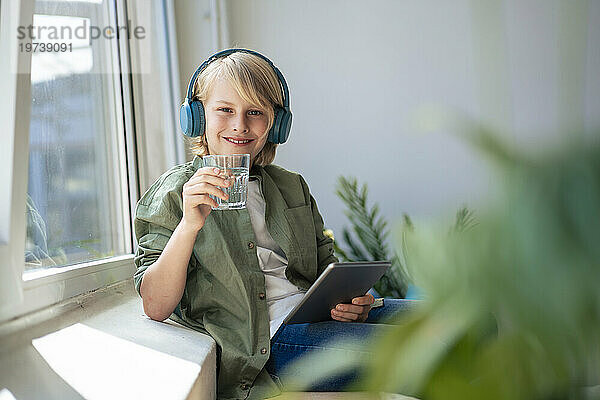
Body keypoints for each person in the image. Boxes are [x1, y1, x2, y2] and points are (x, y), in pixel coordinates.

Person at [133, 48, 414, 399]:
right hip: (273, 340)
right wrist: (189, 225)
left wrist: (356, 300)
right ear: (195, 117)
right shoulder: (175, 193)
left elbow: (326, 265)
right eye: (224, 110)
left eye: (255, 113)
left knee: (471, 325)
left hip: (321, 317)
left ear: (276, 124)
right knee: (424, 354)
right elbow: (155, 306)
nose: (240, 125)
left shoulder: (290, 185)